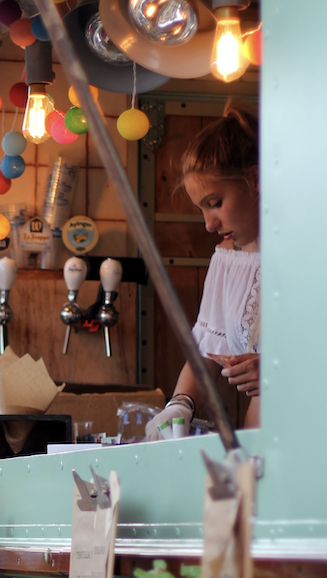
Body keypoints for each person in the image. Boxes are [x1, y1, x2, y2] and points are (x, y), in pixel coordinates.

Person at [146, 105, 260, 441]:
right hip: (260, 442)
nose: (208, 224)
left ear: (255, 179)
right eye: (201, 209)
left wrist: (278, 372)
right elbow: (208, 350)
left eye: (214, 202)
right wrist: (180, 404)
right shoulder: (227, 260)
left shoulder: (315, 252)